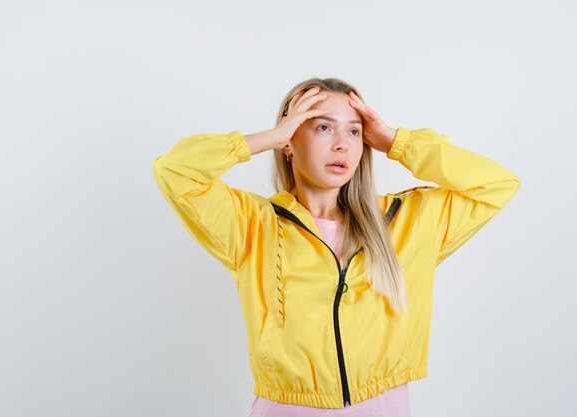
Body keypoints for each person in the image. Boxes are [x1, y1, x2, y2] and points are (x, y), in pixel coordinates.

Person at [152, 77, 520, 416]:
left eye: (355, 131)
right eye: (323, 127)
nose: (342, 143)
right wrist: (270, 136)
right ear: (290, 143)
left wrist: (396, 142)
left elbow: (496, 183)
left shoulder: (409, 220)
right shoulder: (252, 224)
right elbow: (175, 170)